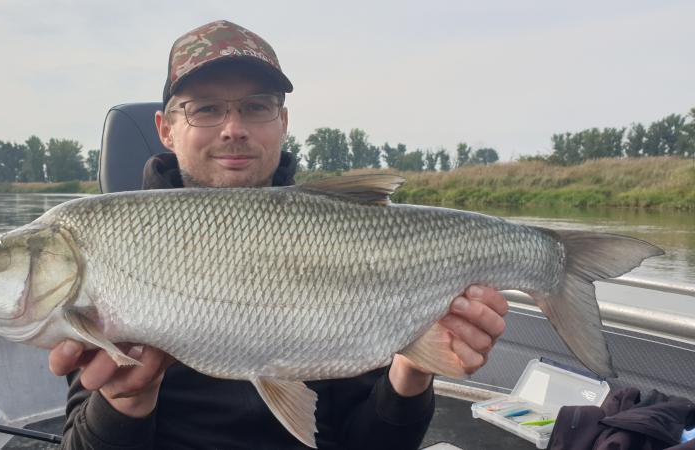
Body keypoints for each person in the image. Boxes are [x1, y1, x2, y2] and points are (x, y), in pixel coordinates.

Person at [50, 20, 508, 450]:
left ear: (282, 122)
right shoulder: (114, 244)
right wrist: (126, 402)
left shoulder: (338, 238)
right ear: (166, 129)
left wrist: (411, 371)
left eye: (256, 107)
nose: (233, 129)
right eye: (206, 108)